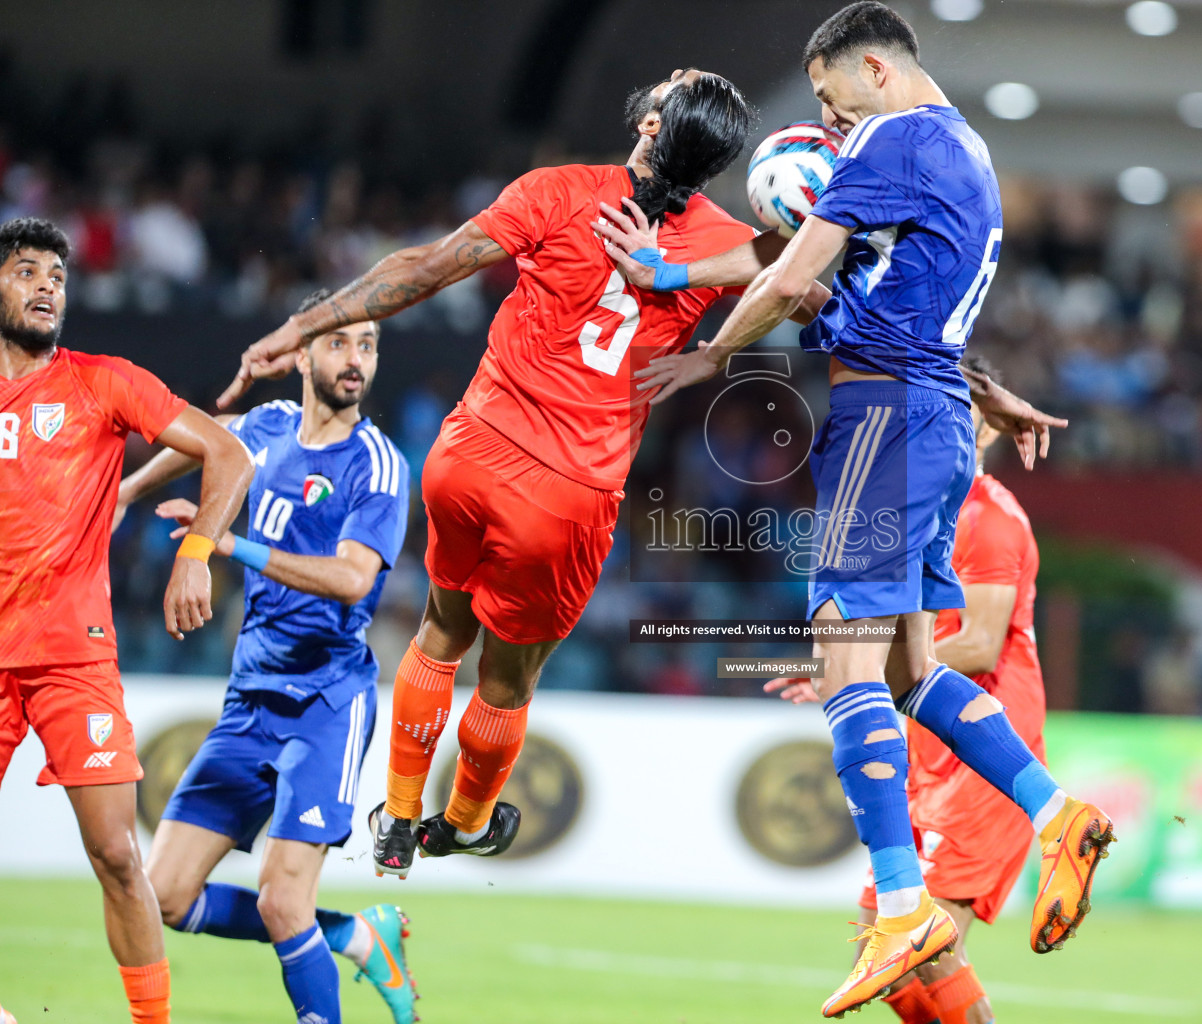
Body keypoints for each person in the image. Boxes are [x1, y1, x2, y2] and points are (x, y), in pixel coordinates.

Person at [597, 5, 1113, 1015]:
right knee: (908, 669)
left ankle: (904, 905)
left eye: (832, 100)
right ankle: (1058, 816)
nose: (831, 124)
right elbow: (839, 279)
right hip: (922, 418)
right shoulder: (957, 149)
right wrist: (668, 271)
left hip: (881, 421)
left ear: (873, 68)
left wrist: (704, 360)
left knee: (840, 648)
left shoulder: (894, 138)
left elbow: (794, 273)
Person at [219, 70, 830, 877]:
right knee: (510, 674)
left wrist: (308, 321)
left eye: (674, 82)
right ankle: (463, 822)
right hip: (567, 494)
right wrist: (704, 334)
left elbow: (430, 266)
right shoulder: (734, 244)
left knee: (441, 632)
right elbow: (810, 293)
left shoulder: (558, 190)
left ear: (651, 121)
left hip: (467, 454)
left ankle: (398, 817)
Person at [115, 290, 415, 1024]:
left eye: (369, 345)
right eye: (341, 343)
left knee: (285, 901)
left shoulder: (377, 465)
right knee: (166, 898)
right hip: (251, 700)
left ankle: (324, 954)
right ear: (305, 353)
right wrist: (124, 492)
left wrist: (231, 543)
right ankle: (352, 933)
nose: (357, 359)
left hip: (326, 703)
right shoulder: (270, 428)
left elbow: (351, 580)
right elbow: (208, 437)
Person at [0, 217, 253, 1024]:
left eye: (58, 276)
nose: (47, 287)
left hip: (73, 656)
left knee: (115, 852)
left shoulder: (101, 381)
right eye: (27, 271)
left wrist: (196, 553)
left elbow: (229, 453)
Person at [766, 354, 1049, 1024]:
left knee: (928, 944)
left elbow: (980, 643)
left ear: (982, 424)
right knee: (884, 942)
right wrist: (845, 667)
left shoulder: (991, 517)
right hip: (926, 753)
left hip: (980, 757)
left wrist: (863, 670)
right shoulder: (920, 514)